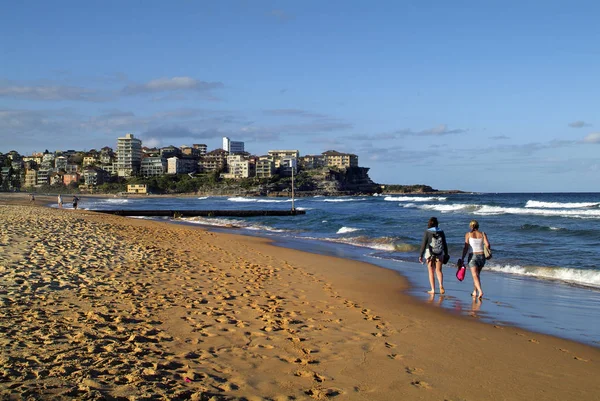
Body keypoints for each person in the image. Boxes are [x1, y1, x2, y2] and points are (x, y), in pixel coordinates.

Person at [460, 219, 491, 299]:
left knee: (474, 275)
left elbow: (466, 248)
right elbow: (487, 245)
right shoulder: (483, 234)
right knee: (477, 275)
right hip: (482, 256)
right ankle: (475, 292)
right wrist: (488, 251)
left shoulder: (468, 234)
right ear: (478, 226)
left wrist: (462, 258)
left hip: (473, 256)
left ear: (471, 226)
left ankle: (480, 291)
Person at [418, 217, 449, 294]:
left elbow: (424, 244)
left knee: (431, 271)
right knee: (439, 270)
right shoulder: (441, 232)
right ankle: (441, 285)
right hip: (439, 252)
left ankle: (433, 289)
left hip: (430, 253)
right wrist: (446, 253)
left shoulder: (427, 232)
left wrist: (421, 255)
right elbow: (444, 244)